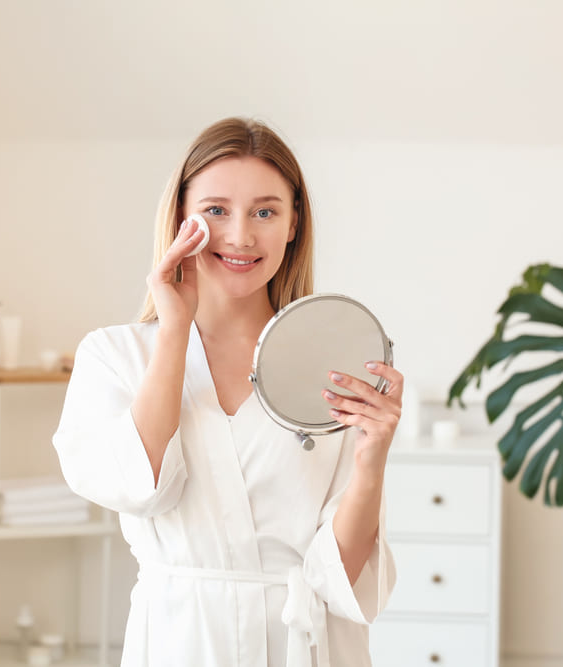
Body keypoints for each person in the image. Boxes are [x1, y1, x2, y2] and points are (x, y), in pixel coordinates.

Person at [52, 117, 401, 666]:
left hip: (303, 648)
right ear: (181, 218)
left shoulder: (335, 368)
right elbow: (141, 487)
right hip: (180, 641)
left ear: (293, 225)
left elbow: (341, 573)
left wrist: (373, 456)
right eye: (216, 210)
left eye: (265, 211)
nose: (240, 235)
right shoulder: (115, 356)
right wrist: (173, 330)